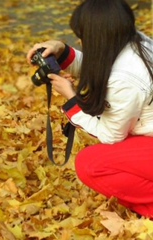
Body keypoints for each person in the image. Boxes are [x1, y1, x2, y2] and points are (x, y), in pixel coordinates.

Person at [27, 0, 153, 218]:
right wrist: (62, 51)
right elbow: (103, 63)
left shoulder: (124, 81)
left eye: (82, 35)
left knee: (91, 164)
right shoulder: (136, 41)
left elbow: (111, 135)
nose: (79, 40)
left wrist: (71, 99)